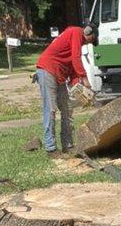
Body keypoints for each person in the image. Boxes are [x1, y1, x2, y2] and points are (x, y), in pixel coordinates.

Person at [34, 23, 98, 154]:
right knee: (50, 109)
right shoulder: (76, 32)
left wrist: (79, 88)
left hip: (59, 75)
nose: (87, 44)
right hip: (48, 70)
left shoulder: (77, 41)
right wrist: (85, 80)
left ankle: (68, 145)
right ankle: (50, 148)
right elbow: (75, 58)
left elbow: (72, 67)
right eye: (91, 40)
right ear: (88, 32)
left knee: (67, 109)